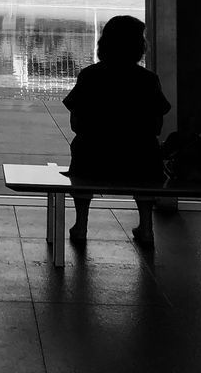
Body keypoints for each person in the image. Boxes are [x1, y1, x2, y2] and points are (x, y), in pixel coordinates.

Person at [62, 14, 171, 246]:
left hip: (94, 159)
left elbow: (76, 124)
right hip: (139, 160)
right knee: (148, 153)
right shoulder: (148, 80)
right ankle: (146, 227)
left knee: (83, 151)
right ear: (137, 46)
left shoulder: (90, 76)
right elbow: (157, 126)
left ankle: (81, 224)